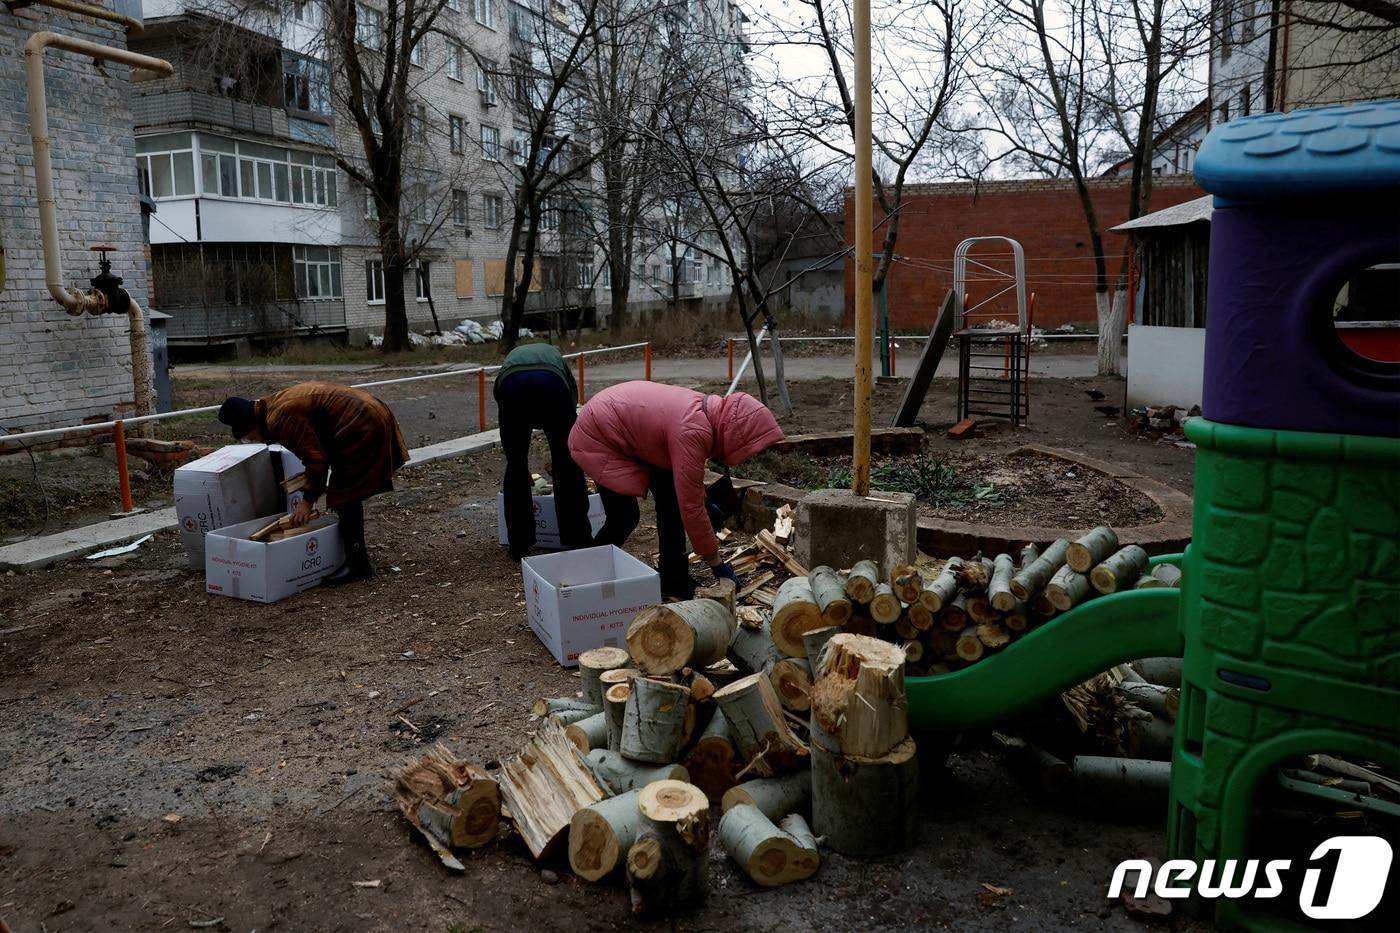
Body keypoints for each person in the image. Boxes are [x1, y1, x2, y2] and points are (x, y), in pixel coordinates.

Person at [568, 381, 784, 599]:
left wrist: (703, 500)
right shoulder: (693, 430)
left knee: (670, 502)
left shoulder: (706, 414)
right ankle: (582, 577)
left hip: (621, 423)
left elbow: (686, 487)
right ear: (737, 433)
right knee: (623, 517)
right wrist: (716, 564)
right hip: (600, 435)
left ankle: (673, 579)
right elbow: (690, 506)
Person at [217, 382, 409, 586]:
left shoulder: (279, 419)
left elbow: (316, 460)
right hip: (371, 409)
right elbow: (317, 450)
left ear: (251, 424)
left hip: (362, 420)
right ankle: (355, 558)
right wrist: (310, 478)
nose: (258, 440)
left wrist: (307, 502)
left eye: (252, 436)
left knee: (345, 496)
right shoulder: (271, 404)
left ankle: (358, 565)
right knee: (345, 491)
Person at [495, 343, 592, 560]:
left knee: (516, 465)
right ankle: (577, 539)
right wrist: (561, 446)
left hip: (511, 386)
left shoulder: (511, 360)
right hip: (552, 384)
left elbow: (499, 398)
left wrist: (514, 452)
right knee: (567, 462)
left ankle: (519, 545)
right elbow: (571, 396)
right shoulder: (556, 357)